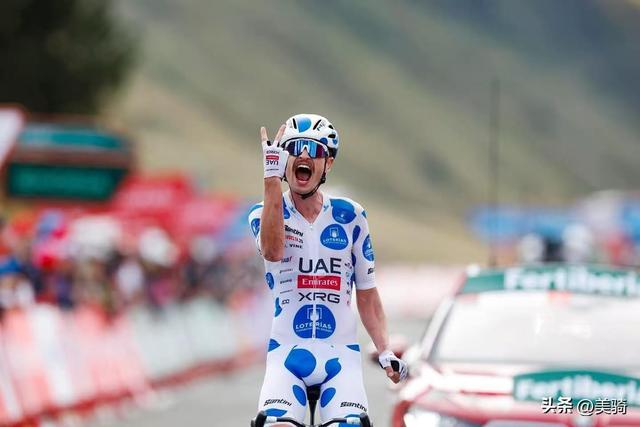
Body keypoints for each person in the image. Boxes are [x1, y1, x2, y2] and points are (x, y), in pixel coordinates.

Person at [248, 114, 407, 424]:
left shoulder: (351, 216)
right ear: (283, 160)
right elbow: (273, 251)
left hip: (340, 356)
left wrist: (384, 349)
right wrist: (270, 181)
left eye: (315, 150)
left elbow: (367, 293)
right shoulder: (262, 214)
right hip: (287, 354)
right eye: (295, 148)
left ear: (328, 164)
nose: (304, 155)